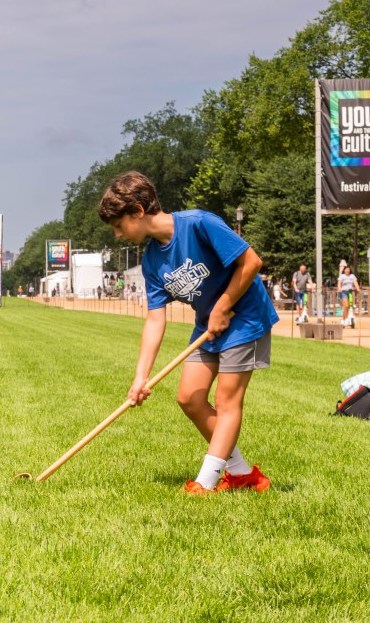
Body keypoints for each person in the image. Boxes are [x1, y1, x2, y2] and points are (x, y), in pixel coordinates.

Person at [98, 172, 278, 496]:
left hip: (244, 316)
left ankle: (205, 483)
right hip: (208, 325)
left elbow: (251, 262)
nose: (118, 234)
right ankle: (243, 474)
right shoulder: (152, 260)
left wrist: (223, 306)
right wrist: (141, 377)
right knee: (189, 398)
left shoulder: (199, 223)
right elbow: (155, 320)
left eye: (118, 225)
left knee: (226, 400)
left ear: (137, 211)